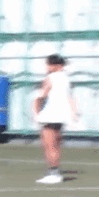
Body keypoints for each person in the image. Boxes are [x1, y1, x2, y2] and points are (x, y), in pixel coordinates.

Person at [33, 54, 79, 185]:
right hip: (61, 115)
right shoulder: (66, 78)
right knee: (56, 145)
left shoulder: (50, 78)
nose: (46, 67)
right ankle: (54, 173)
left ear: (56, 65)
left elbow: (41, 96)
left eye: (48, 64)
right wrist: (73, 114)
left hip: (50, 114)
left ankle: (53, 174)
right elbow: (69, 97)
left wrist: (36, 112)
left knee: (49, 145)